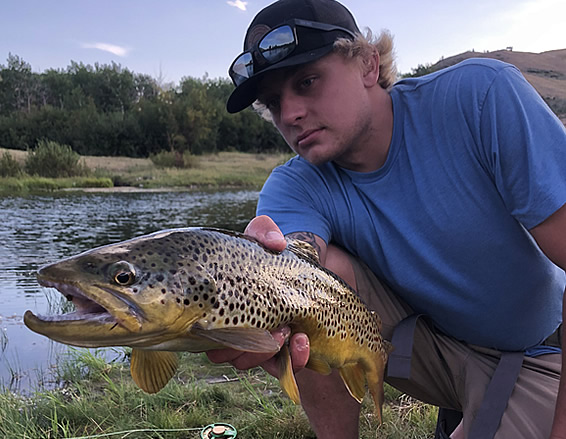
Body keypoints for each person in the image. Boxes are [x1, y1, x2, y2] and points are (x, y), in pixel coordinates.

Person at [207, 0, 566, 437]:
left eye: (307, 81)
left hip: (540, 351)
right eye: (273, 102)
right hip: (432, 347)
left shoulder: (482, 98)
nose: (290, 115)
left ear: (368, 65)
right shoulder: (294, 184)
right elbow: (293, 259)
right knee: (307, 287)